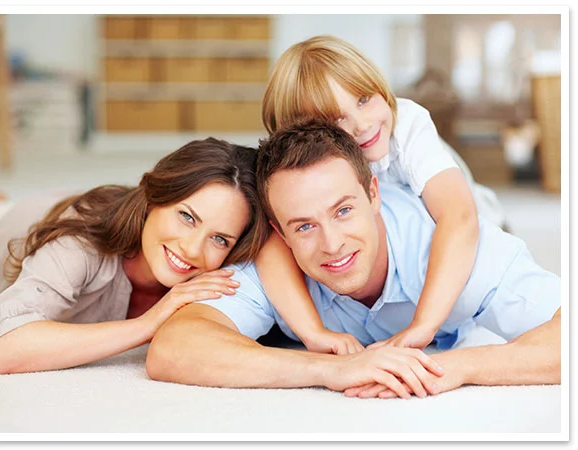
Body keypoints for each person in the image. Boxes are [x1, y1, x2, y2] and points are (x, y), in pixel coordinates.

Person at [145, 120, 561, 399]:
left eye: (343, 210)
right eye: (304, 226)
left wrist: (452, 367)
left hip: (466, 201)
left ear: (373, 194)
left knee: (478, 203)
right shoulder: (274, 261)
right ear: (278, 230)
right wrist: (326, 370)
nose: (332, 244)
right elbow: (175, 348)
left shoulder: (457, 248)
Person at [254, 35, 507, 355]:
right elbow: (270, 241)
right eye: (336, 119)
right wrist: (313, 332)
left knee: (485, 244)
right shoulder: (291, 176)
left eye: (363, 99)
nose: (362, 125)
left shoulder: (408, 126)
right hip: (391, 214)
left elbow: (458, 216)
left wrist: (423, 326)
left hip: (472, 205)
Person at [0, 139, 269, 374]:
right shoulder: (80, 242)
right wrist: (145, 325)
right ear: (152, 199)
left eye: (219, 239)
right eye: (187, 217)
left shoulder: (223, 274)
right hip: (14, 223)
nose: (193, 249)